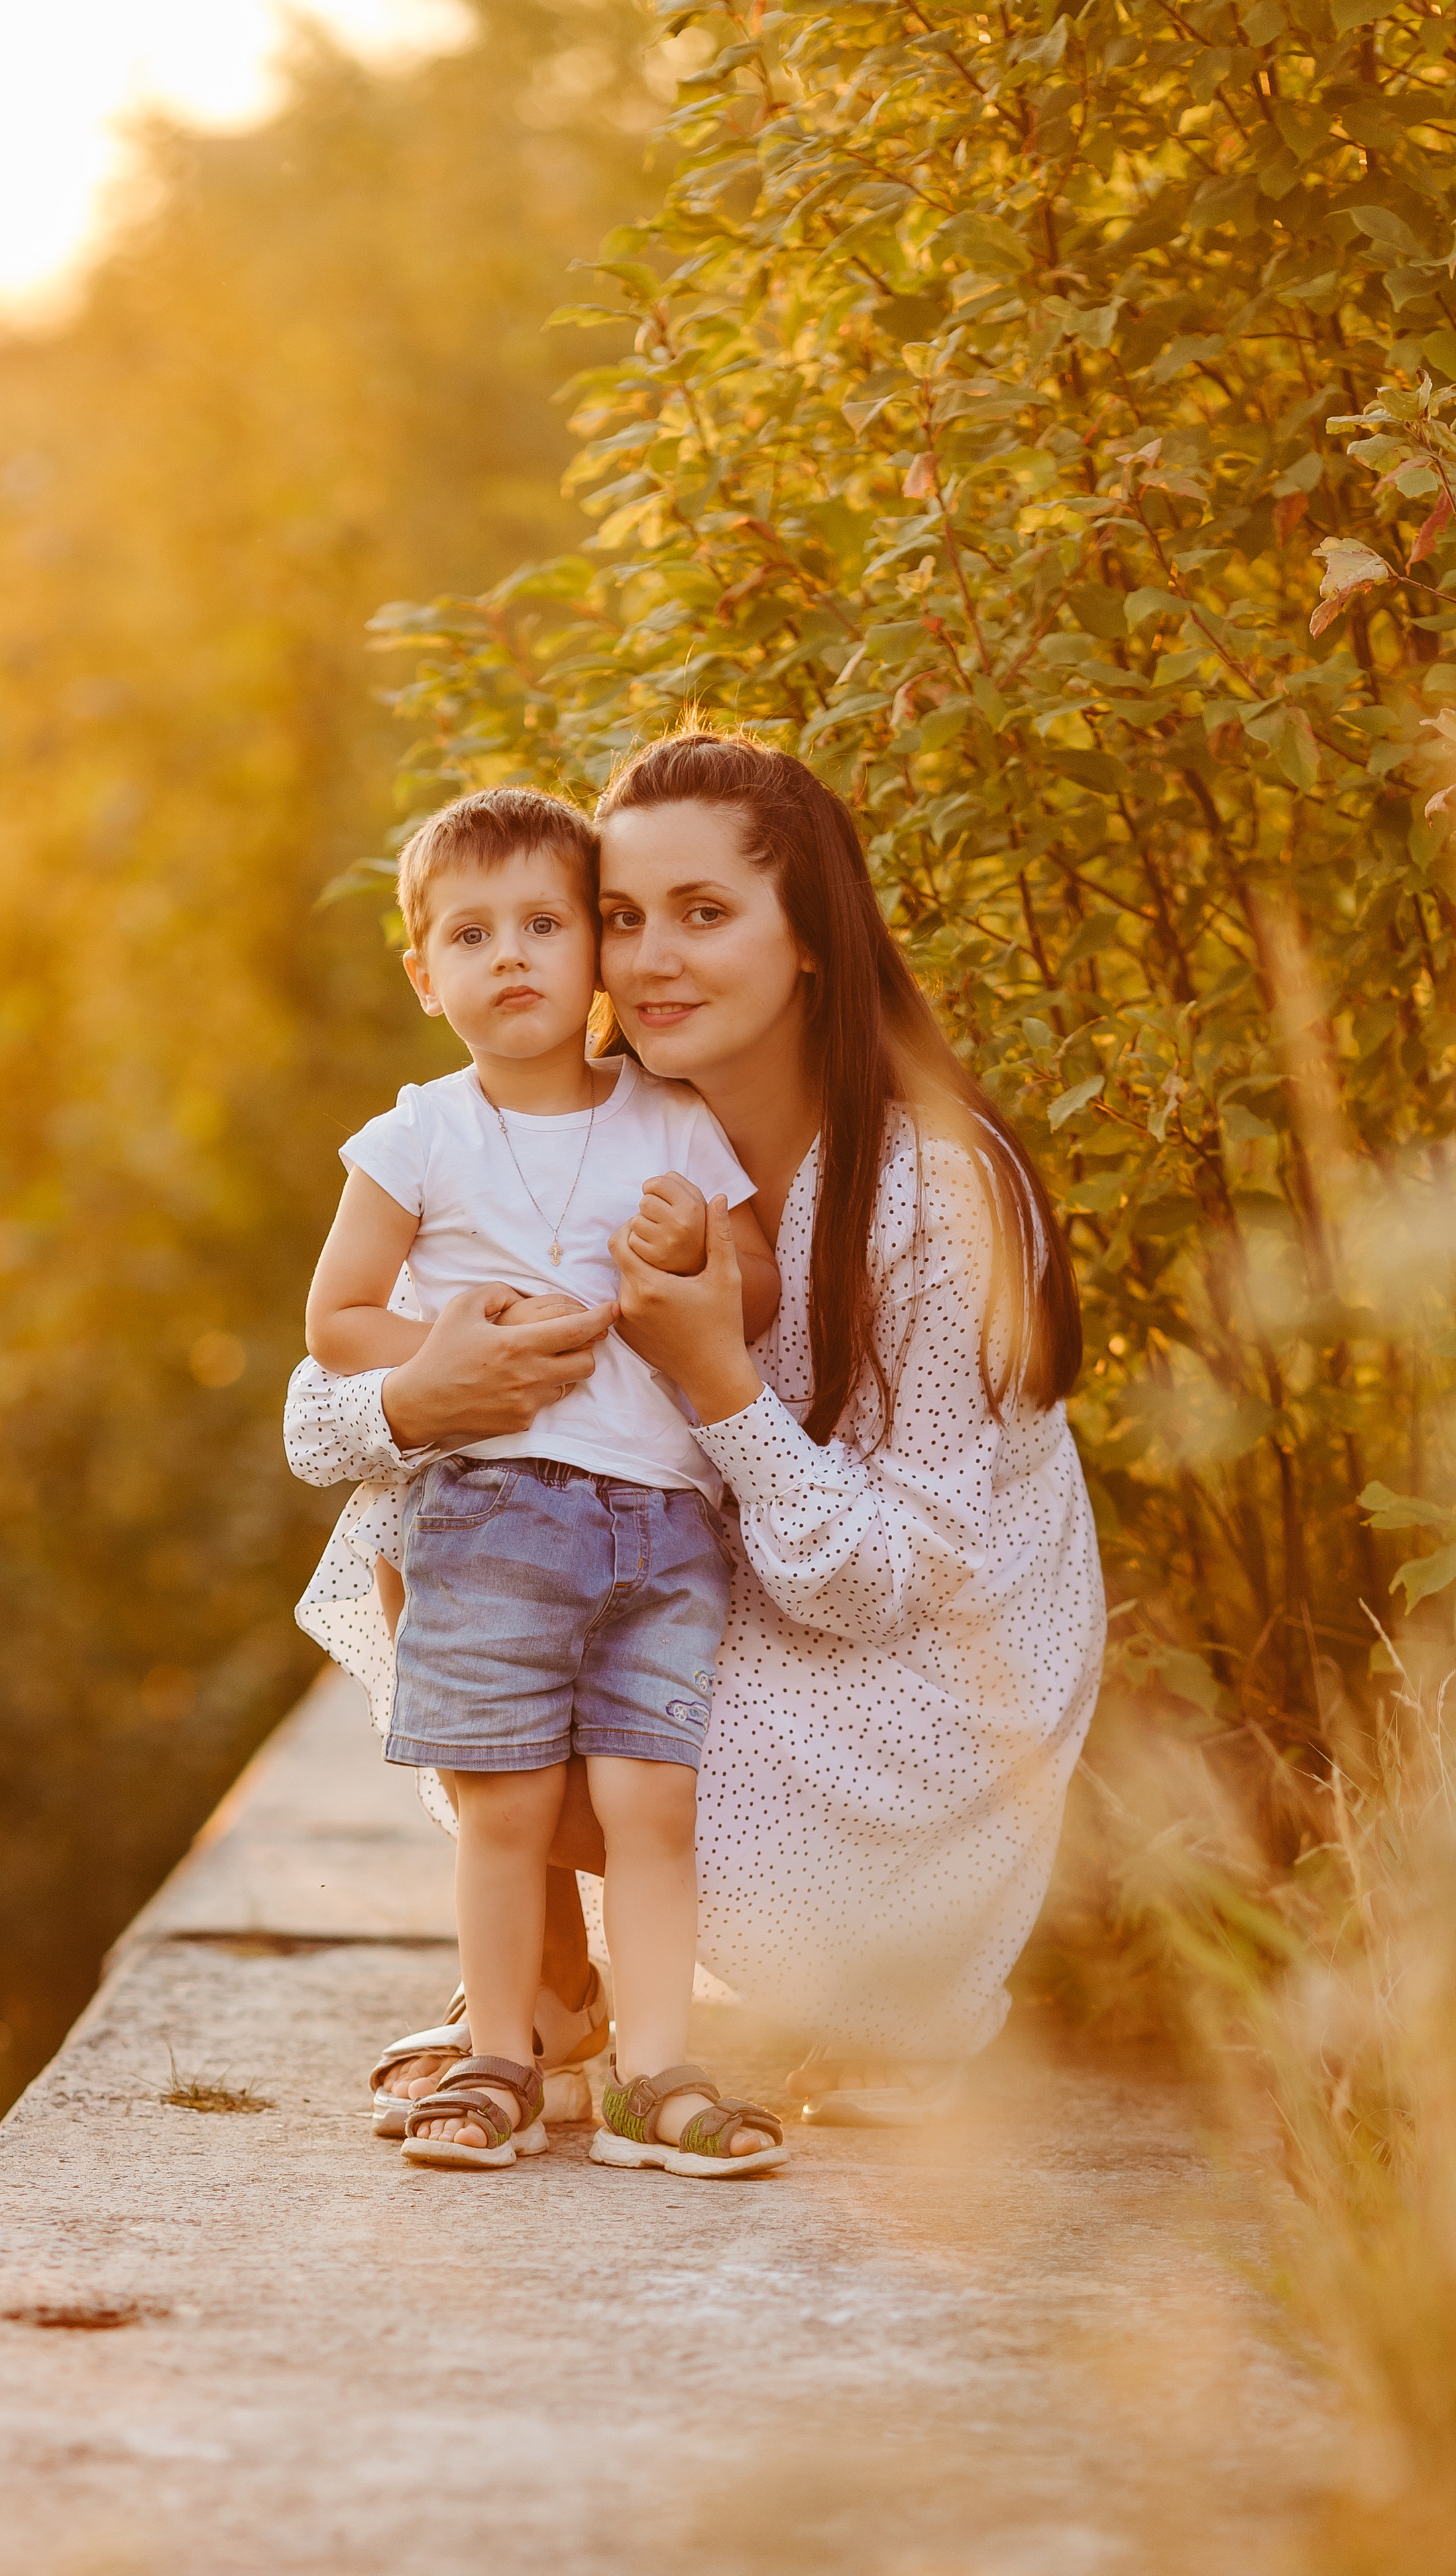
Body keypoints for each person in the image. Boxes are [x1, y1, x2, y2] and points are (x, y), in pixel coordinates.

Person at [287, 728, 1104, 2129]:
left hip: (923, 1696)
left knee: (579, 1697)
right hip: (728, 1591)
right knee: (436, 1512)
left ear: (809, 942)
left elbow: (885, 1590)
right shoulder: (609, 1125)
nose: (649, 956)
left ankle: (864, 1981)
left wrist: (714, 1375)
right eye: (619, 917)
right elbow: (322, 1422)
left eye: (704, 913)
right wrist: (421, 1394)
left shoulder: (936, 1188)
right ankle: (542, 1995)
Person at [302, 784, 786, 2174]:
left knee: (649, 1804)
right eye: (469, 934)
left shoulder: (671, 1121)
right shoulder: (415, 1138)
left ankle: (654, 2073)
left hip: (660, 1526)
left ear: (594, 955)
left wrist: (698, 1244)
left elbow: (748, 1289)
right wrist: (453, 1344)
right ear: (423, 974)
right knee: (503, 1801)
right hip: (491, 1513)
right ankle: (501, 2059)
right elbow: (339, 1323)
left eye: (540, 925)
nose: (507, 955)